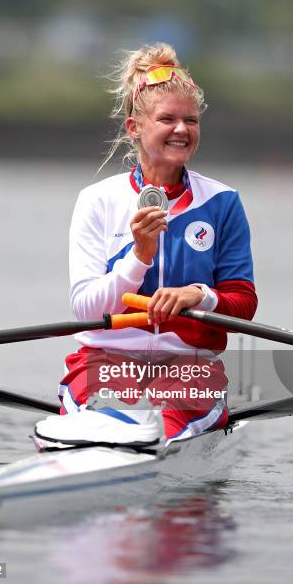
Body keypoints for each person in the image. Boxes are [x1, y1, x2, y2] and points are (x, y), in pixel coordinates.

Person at [36, 43, 258, 446]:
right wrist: (138, 257)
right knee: (110, 423)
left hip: (190, 367)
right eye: (167, 119)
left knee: (158, 429)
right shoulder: (98, 200)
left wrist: (200, 296)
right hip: (103, 362)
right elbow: (86, 309)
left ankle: (150, 446)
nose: (182, 129)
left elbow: (243, 303)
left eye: (191, 120)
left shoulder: (222, 203)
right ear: (134, 127)